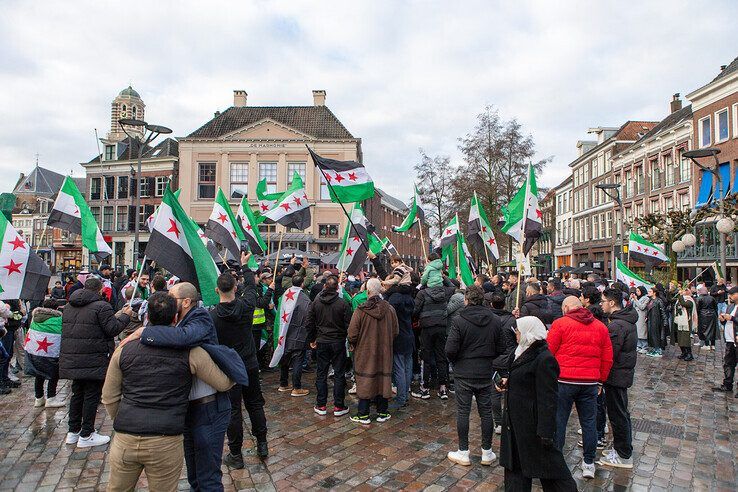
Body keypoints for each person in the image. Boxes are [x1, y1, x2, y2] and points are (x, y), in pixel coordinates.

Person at [102, 292, 234, 492]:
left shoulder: (124, 349)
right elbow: (223, 383)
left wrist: (125, 420)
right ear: (175, 318)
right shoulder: (191, 352)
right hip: (165, 440)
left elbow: (109, 398)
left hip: (126, 438)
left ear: (148, 316)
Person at [132, 281, 247, 492]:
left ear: (186, 302)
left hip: (209, 408)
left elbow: (185, 338)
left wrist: (144, 333)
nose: (167, 302)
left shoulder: (200, 317)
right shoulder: (176, 322)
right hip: (188, 409)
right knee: (194, 474)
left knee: (208, 477)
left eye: (172, 298)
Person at [499, 316, 576, 491]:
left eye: (518, 331)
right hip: (515, 424)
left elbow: (548, 398)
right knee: (515, 470)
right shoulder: (521, 351)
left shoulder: (544, 359)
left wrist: (546, 432)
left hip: (533, 428)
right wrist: (507, 382)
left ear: (528, 332)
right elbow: (521, 377)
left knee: (550, 472)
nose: (516, 334)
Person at [60, 277, 132, 448]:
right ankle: (87, 433)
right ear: (100, 290)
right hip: (93, 357)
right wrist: (126, 317)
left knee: (77, 394)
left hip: (73, 356)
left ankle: (73, 431)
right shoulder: (102, 306)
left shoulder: (69, 306)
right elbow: (112, 329)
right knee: (91, 395)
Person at [547, 296, 613, 479]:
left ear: (567, 307)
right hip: (589, 382)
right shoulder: (600, 327)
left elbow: (549, 352)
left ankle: (557, 462)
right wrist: (601, 381)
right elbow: (607, 357)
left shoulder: (560, 324)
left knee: (559, 421)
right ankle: (589, 463)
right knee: (589, 423)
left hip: (564, 380)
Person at [211, 272, 269, 468]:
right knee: (255, 403)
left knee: (234, 410)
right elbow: (252, 287)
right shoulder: (246, 306)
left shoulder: (212, 316)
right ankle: (262, 444)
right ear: (235, 288)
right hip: (249, 364)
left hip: (229, 368)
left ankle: (236, 454)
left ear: (217, 290)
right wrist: (245, 265)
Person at [445, 285, 502, 466]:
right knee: (486, 412)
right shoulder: (494, 319)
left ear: (466, 300)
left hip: (464, 371)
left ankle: (464, 451)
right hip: (484, 371)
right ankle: (487, 451)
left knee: (464, 411)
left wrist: (457, 361)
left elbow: (450, 349)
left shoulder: (459, 320)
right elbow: (501, 347)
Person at [348, 278, 399, 424]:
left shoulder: (361, 310)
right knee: (382, 379)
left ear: (368, 291)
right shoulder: (389, 309)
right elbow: (395, 331)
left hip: (365, 350)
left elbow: (352, 333)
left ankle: (363, 413)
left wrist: (354, 344)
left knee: (365, 379)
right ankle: (382, 411)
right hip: (384, 351)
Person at [597, 288, 637, 469]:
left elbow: (609, 353)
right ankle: (622, 448)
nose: (601, 304)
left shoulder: (617, 326)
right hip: (621, 374)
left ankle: (624, 454)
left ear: (612, 303)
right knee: (620, 412)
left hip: (617, 375)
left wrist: (600, 377)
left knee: (618, 414)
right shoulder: (622, 321)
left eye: (603, 301)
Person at [306, 275, 353, 416]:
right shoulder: (342, 303)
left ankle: (322, 404)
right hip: (336, 342)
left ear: (325, 287)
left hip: (324, 341)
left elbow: (309, 323)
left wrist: (312, 338)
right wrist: (350, 341)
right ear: (337, 288)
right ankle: (338, 405)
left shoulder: (317, 303)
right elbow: (349, 325)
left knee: (322, 373)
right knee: (338, 374)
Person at [412, 271, 455, 399]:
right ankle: (443, 388)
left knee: (426, 357)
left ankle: (424, 388)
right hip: (441, 326)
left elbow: (415, 310)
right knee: (441, 357)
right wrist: (444, 276)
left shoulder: (422, 293)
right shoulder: (445, 292)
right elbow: (453, 287)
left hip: (427, 327)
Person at [24, 299, 65, 408]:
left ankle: (39, 398)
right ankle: (51, 398)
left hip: (35, 351)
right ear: (56, 308)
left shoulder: (35, 318)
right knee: (53, 374)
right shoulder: (58, 319)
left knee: (39, 374)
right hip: (51, 352)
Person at [278, 275, 311, 396]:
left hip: (284, 332)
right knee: (297, 359)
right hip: (298, 334)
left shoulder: (285, 294)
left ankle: (283, 384)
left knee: (285, 359)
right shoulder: (305, 299)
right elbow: (309, 318)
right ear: (302, 283)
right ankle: (296, 388)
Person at [489, 294, 517, 434]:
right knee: (508, 391)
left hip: (495, 359)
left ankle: (499, 422)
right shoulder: (511, 320)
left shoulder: (488, 319)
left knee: (495, 392)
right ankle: (505, 422)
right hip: (507, 360)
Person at [387, 282, 415, 411]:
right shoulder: (410, 298)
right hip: (409, 335)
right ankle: (405, 395)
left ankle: (401, 398)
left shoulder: (394, 299)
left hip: (398, 336)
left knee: (399, 369)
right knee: (407, 367)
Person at [714, 286, 738, 396]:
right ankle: (727, 384)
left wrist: (732, 318)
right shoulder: (730, 307)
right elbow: (726, 323)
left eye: (732, 294)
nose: (730, 296)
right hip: (729, 339)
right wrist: (723, 320)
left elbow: (733, 320)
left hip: (736, 339)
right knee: (728, 363)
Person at [673, 288, 698, 361]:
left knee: (685, 338)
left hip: (686, 322)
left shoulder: (690, 301)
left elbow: (684, 304)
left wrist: (680, 296)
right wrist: (670, 291)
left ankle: (689, 354)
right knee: (680, 337)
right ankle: (683, 352)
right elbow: (671, 300)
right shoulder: (680, 299)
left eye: (684, 291)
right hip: (679, 320)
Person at [646, 286, 667, 357]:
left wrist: (665, 321)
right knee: (651, 335)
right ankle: (654, 349)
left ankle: (658, 350)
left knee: (656, 335)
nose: (648, 293)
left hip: (656, 321)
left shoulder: (659, 301)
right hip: (650, 320)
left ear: (654, 293)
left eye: (650, 291)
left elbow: (663, 312)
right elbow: (648, 309)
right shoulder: (650, 300)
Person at [696, 286, 718, 351]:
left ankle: (707, 344)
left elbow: (697, 309)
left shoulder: (699, 298)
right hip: (712, 315)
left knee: (705, 330)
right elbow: (715, 307)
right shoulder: (712, 298)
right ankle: (713, 345)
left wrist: (697, 316)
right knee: (712, 330)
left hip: (703, 315)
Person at [631, 286, 650, 353]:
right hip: (636, 316)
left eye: (638, 291)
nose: (637, 292)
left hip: (642, 316)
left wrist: (636, 300)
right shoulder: (636, 298)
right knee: (637, 331)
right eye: (636, 291)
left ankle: (644, 346)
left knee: (642, 332)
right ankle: (638, 345)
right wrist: (632, 299)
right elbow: (632, 306)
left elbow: (642, 307)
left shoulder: (646, 298)